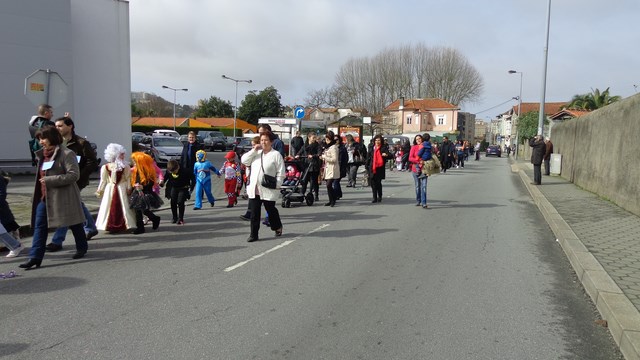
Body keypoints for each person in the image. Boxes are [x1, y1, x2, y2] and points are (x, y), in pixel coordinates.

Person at [20, 126, 88, 269]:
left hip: (64, 196)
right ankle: (35, 257)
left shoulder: (66, 153)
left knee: (74, 222)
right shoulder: (41, 155)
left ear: (52, 138)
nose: (41, 141)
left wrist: (51, 180)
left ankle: (82, 247)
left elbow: (74, 175)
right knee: (40, 227)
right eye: (39, 139)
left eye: (43, 138)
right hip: (45, 198)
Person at [46, 117, 99, 252]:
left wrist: (79, 175)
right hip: (60, 179)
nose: (57, 128)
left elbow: (92, 162)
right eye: (56, 126)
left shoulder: (81, 143)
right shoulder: (56, 142)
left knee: (66, 207)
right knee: (77, 204)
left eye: (60, 126)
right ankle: (91, 228)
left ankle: (57, 240)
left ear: (70, 126)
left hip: (75, 180)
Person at [241, 131, 285, 242]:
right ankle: (253, 234)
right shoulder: (256, 153)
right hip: (255, 187)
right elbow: (244, 160)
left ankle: (277, 226)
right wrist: (254, 150)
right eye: (261, 140)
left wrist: (278, 184)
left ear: (271, 142)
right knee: (254, 212)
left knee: (270, 209)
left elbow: (281, 172)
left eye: (266, 140)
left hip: (269, 188)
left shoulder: (276, 155)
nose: (263, 142)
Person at [95, 143, 136, 232]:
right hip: (110, 188)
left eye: (123, 154)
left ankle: (126, 224)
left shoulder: (126, 166)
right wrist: (100, 190)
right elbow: (103, 180)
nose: (123, 156)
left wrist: (129, 188)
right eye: (121, 154)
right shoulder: (105, 167)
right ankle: (109, 225)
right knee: (109, 206)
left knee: (124, 206)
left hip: (122, 187)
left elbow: (128, 178)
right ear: (115, 155)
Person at [130, 152, 162, 234]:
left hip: (145, 192)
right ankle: (151, 221)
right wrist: (134, 186)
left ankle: (142, 226)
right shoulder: (136, 170)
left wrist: (143, 187)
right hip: (137, 192)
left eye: (135, 161)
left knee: (143, 210)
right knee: (139, 210)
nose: (133, 162)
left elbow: (151, 182)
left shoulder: (148, 171)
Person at [160, 159, 192, 225]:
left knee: (180, 202)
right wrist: (161, 183)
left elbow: (193, 180)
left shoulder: (185, 171)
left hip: (183, 188)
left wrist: (190, 189)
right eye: (172, 172)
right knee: (173, 202)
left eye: (174, 171)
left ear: (178, 167)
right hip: (174, 188)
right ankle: (174, 217)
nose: (173, 173)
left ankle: (181, 218)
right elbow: (165, 178)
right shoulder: (169, 171)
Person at [0, 172, 23, 257]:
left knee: (4, 228)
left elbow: (2, 194)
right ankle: (15, 245)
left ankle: (15, 245)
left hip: (1, 208)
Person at [365, 134, 390, 203]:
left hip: (380, 168)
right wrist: (366, 166)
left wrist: (386, 155)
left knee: (378, 183)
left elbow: (390, 155)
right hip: (372, 167)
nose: (377, 141)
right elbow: (368, 157)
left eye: (379, 140)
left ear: (381, 141)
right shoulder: (371, 147)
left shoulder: (383, 148)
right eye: (376, 140)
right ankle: (374, 197)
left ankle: (380, 196)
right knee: (372, 183)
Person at [320, 131, 340, 207]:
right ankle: (331, 200)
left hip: (332, 168)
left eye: (327, 139)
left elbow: (334, 159)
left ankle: (333, 200)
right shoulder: (327, 147)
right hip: (327, 167)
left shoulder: (334, 147)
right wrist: (322, 157)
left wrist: (325, 157)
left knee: (329, 184)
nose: (326, 140)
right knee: (328, 185)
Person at [409, 134, 429, 208]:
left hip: (424, 169)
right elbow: (410, 158)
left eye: (419, 139)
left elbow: (430, 156)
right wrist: (418, 161)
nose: (418, 140)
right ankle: (418, 200)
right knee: (418, 186)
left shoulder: (425, 146)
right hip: (415, 169)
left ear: (422, 139)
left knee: (424, 186)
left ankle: (424, 202)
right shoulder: (414, 147)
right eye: (417, 139)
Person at [301, 133, 321, 201]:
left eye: (315, 137)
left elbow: (319, 153)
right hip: (306, 166)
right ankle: (302, 194)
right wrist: (297, 155)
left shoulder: (317, 145)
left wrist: (313, 155)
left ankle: (315, 194)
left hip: (314, 165)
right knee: (304, 181)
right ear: (309, 137)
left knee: (314, 181)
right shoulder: (305, 145)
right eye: (313, 138)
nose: (314, 139)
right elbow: (300, 152)